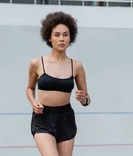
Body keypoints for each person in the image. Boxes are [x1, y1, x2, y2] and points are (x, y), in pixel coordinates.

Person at [26, 11, 91, 156]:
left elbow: (87, 100)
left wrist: (83, 98)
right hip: (43, 118)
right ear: (49, 37)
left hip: (66, 119)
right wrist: (33, 101)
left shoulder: (77, 66)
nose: (61, 39)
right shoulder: (37, 63)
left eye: (65, 35)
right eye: (57, 35)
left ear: (70, 38)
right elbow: (29, 88)